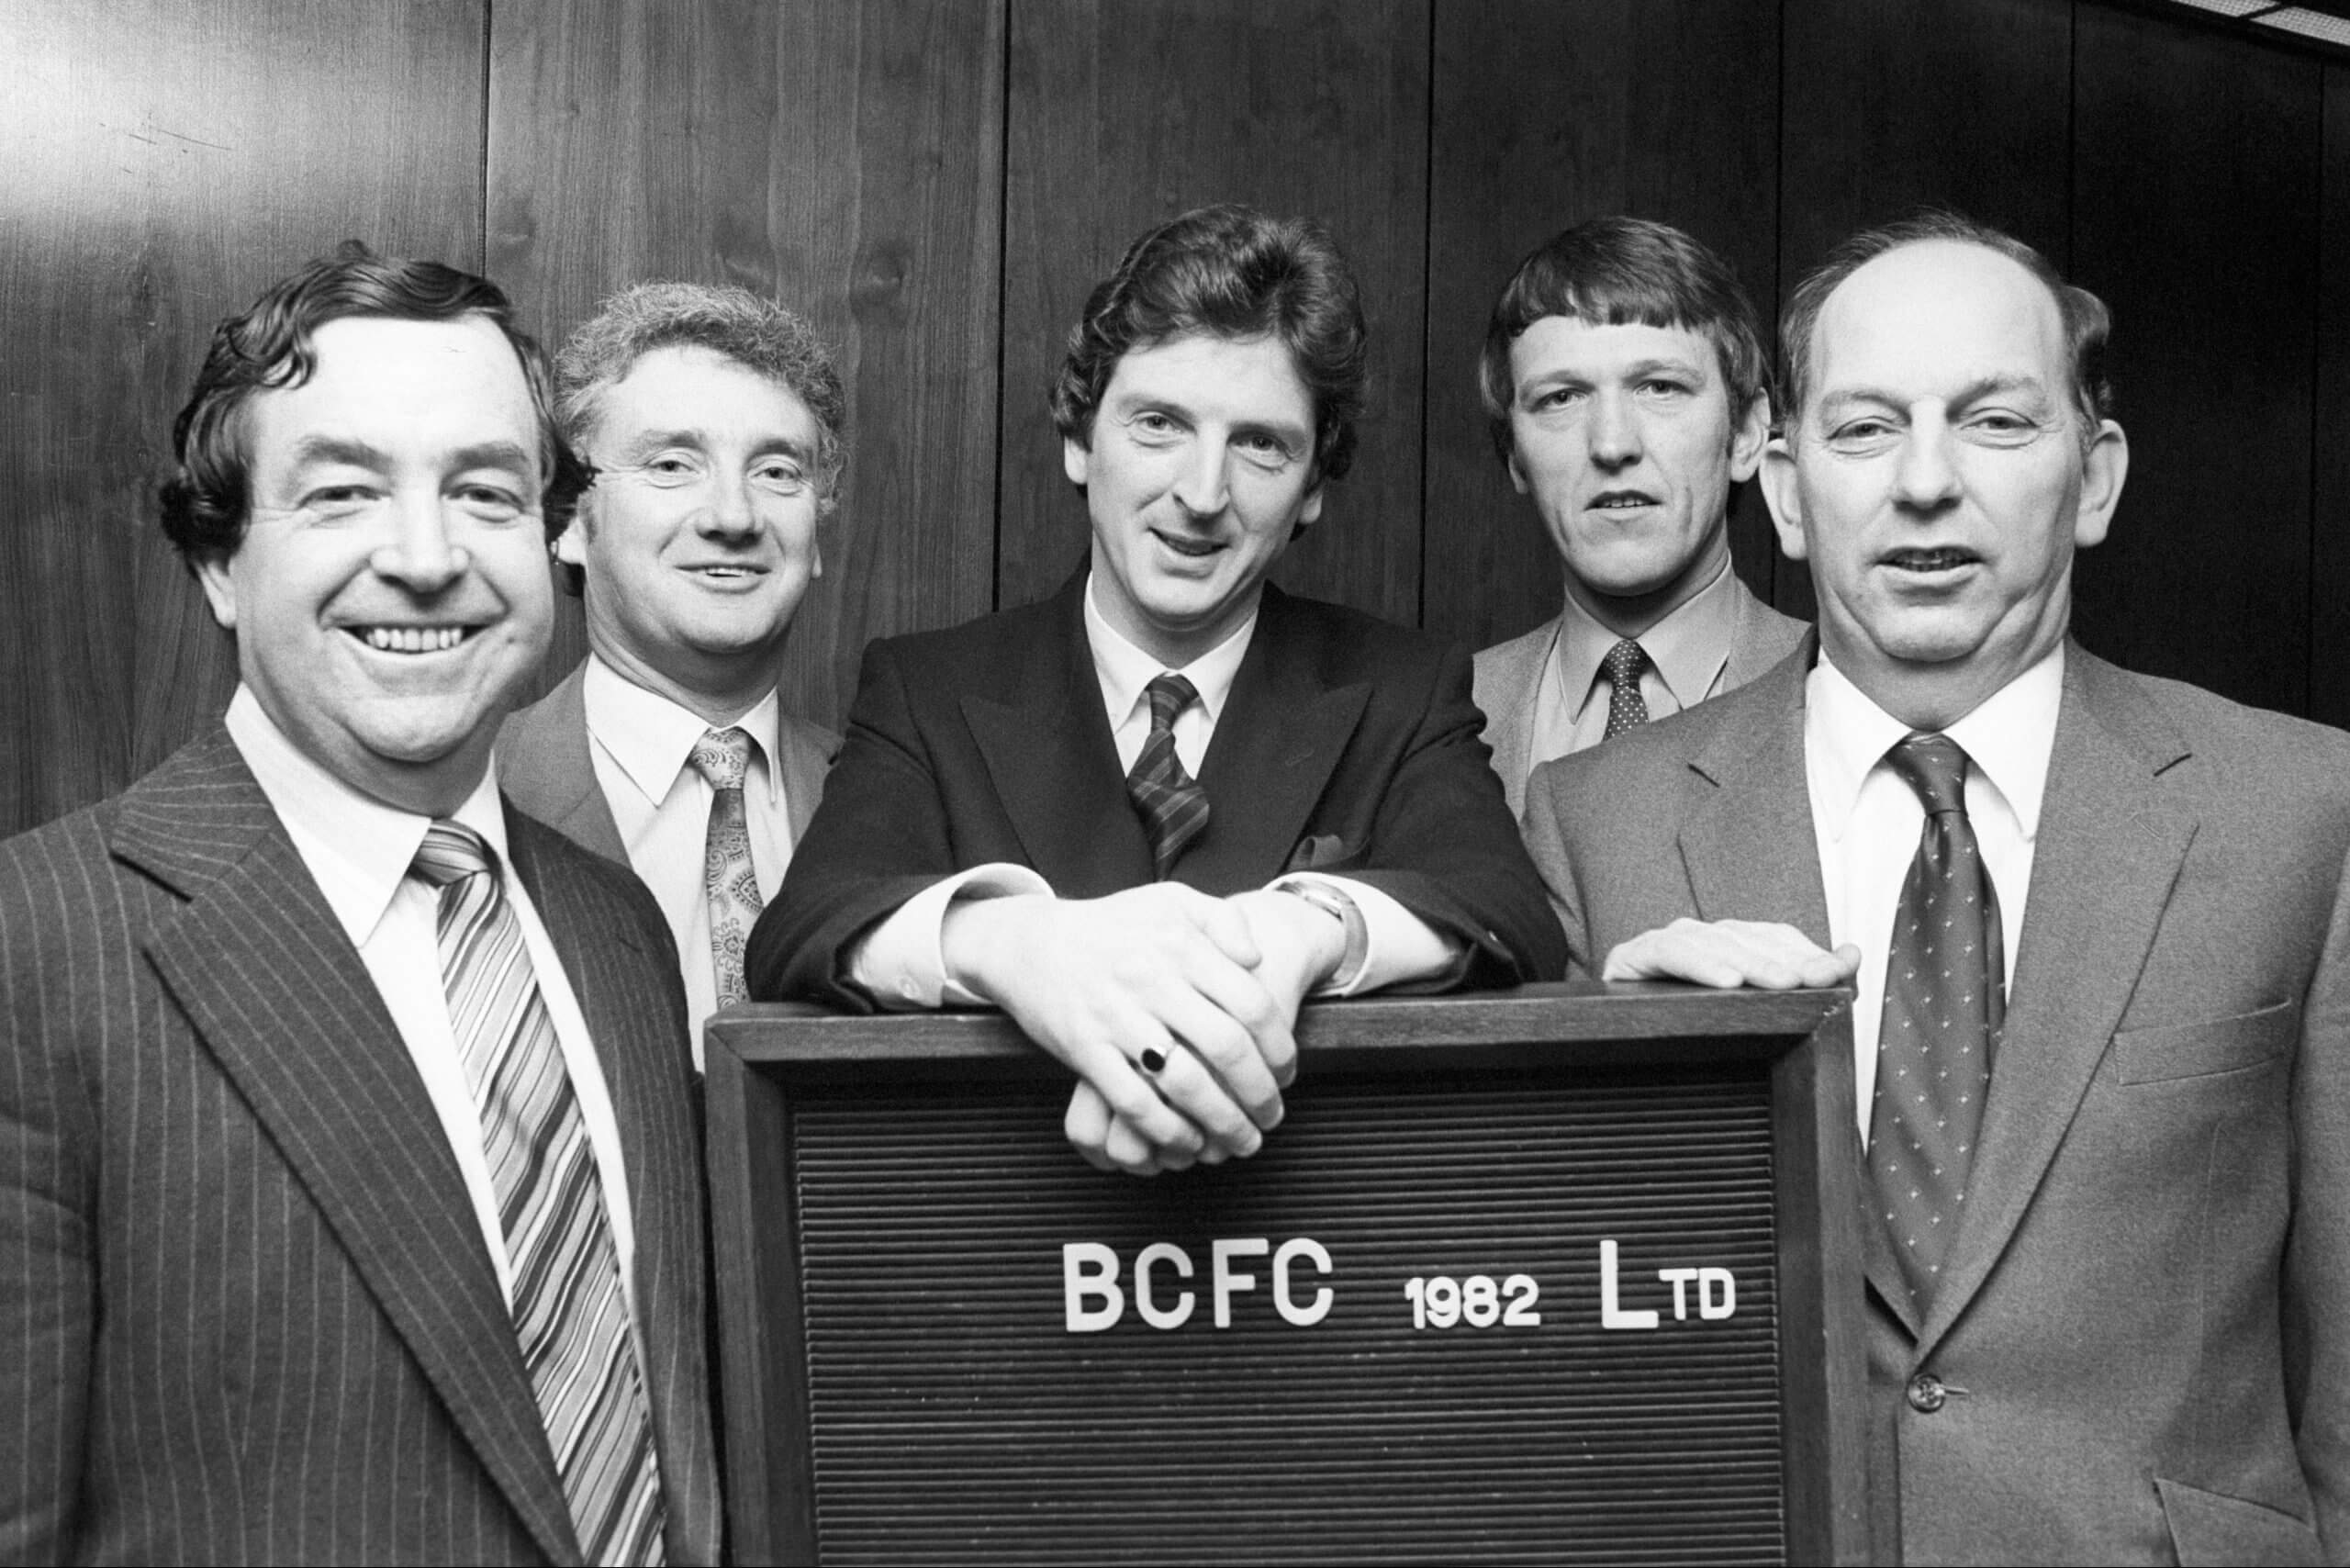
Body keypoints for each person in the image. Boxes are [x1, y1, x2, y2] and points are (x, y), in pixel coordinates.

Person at [1522, 212, 2345, 1562]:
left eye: (1995, 424)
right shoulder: (1596, 819)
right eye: (1862, 430)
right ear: (1785, 489)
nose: (1923, 483)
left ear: (2095, 476)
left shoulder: (2302, 813)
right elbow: (1521, 1310)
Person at [0, 246, 722, 1563]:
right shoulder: (34, 944)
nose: (428, 558)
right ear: (219, 562)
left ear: (550, 537)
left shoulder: (621, 935)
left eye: (487, 492)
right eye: (341, 492)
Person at [747, 205, 1562, 1176]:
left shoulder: (1400, 687)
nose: (1202, 491)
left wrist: (1297, 930)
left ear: (1311, 486)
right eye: (1159, 424)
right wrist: (1016, 943)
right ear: (1080, 440)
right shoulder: (929, 688)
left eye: (1259, 443)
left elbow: (1510, 916)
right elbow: (799, 931)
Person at [501, 283, 843, 1058]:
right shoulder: (470, 800)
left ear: (816, 537)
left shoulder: (894, 801)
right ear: (566, 524)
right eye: (672, 464)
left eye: (778, 472)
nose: (733, 515)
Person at [1472, 217, 1804, 816]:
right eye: (1560, 398)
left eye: (1659, 387)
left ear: (1750, 432)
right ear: (1514, 455)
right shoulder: (1443, 718)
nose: (1612, 444)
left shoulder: (1840, 694)